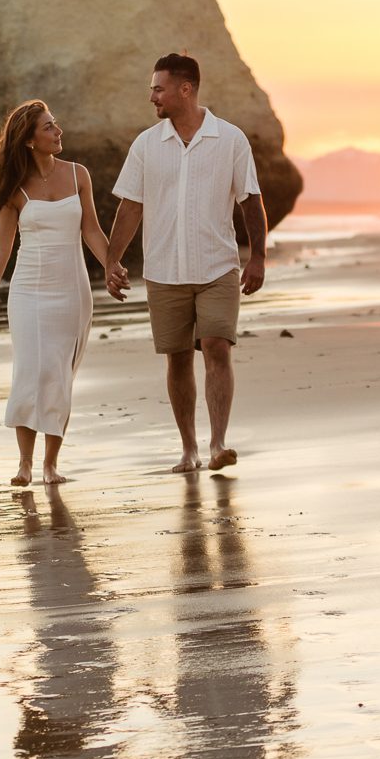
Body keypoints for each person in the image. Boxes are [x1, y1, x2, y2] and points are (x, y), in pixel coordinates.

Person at [104, 54, 266, 474]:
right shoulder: (146, 145)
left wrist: (258, 257)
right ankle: (189, 449)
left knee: (216, 348)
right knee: (177, 358)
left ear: (185, 89)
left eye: (158, 88)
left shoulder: (230, 140)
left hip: (218, 268)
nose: (152, 96)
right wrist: (111, 260)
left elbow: (251, 200)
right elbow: (131, 207)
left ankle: (218, 444)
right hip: (164, 270)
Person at [0, 101, 110, 486]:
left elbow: (92, 231)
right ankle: (24, 464)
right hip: (29, 290)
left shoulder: (79, 175)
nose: (58, 131)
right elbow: (2, 247)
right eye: (49, 127)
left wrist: (111, 265)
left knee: (59, 374)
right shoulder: (14, 189)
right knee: (30, 370)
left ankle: (51, 465)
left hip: (72, 289)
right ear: (30, 140)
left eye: (55, 124)